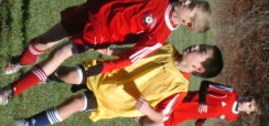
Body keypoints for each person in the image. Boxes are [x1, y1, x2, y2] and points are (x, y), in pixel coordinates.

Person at [0, 0, 212, 105]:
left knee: (59, 53)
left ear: (188, 23)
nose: (187, 1)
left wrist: (103, 67)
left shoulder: (159, 37)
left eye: (191, 6)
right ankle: (22, 61)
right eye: (191, 0)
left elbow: (129, 59)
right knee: (43, 41)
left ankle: (12, 90)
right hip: (94, 9)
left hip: (97, 34)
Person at [13, 42, 224, 125]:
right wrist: (112, 51)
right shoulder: (167, 47)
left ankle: (29, 123)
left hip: (113, 100)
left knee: (74, 103)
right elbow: (134, 52)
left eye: (201, 51)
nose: (196, 46)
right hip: (107, 73)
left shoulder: (180, 89)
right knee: (69, 74)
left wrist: (148, 111)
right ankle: (42, 74)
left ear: (198, 68)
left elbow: (163, 117)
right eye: (201, 45)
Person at [136, 81, 259, 125]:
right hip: (181, 102)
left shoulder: (232, 117)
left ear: (249, 112)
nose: (246, 102)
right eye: (249, 99)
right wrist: (202, 100)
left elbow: (209, 112)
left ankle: (136, 116)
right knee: (145, 104)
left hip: (182, 116)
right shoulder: (231, 92)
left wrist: (200, 123)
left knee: (147, 122)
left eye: (249, 105)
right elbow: (205, 84)